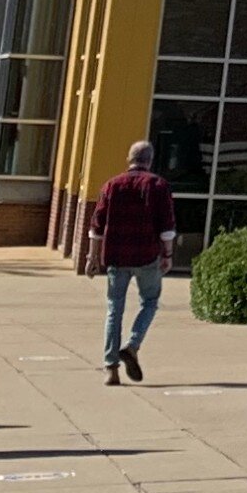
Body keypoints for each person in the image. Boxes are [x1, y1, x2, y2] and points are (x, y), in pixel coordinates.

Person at [95, 139, 176, 382]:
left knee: (114, 309)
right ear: (149, 160)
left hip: (116, 255)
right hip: (146, 255)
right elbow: (167, 227)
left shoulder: (111, 185)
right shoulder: (158, 185)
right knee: (150, 301)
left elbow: (96, 225)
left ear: (129, 159)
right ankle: (133, 344)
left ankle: (111, 368)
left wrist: (91, 256)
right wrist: (168, 255)